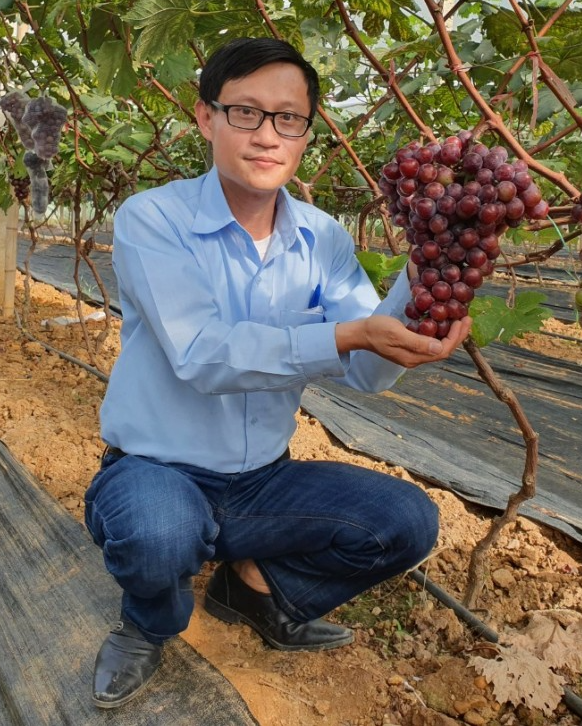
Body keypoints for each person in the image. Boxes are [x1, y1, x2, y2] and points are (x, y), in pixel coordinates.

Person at [85, 37, 471, 709]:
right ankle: (148, 624)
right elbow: (203, 353)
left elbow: (365, 374)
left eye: (288, 119)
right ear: (206, 119)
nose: (268, 135)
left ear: (306, 134)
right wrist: (350, 333)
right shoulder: (153, 219)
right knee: (158, 533)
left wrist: (420, 285)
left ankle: (255, 591)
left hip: (263, 483)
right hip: (157, 470)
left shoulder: (322, 237)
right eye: (246, 113)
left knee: (405, 521)